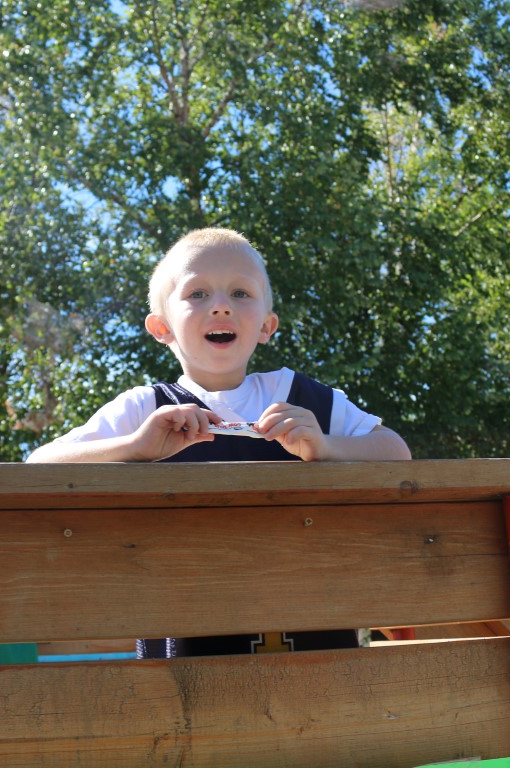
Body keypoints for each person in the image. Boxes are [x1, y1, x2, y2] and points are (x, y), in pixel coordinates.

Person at [27, 227, 410, 657]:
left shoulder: (305, 399)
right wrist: (134, 447)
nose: (222, 306)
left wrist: (326, 447)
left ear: (267, 325)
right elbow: (40, 465)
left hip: (315, 644)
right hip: (185, 659)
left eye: (241, 293)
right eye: (198, 294)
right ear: (161, 327)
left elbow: (396, 451)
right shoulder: (145, 409)